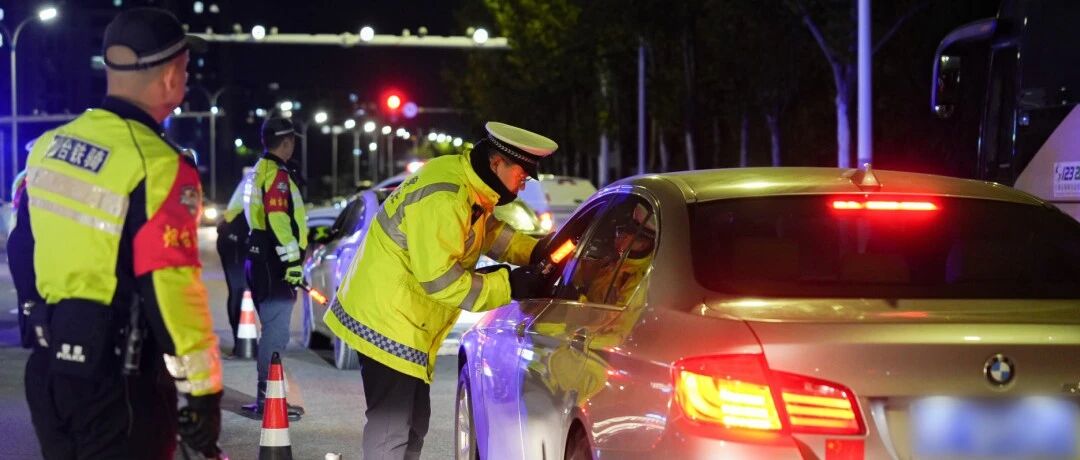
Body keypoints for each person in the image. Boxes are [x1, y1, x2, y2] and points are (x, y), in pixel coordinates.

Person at [10, 7, 222, 458]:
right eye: (184, 69)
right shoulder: (160, 164)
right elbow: (170, 286)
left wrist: (39, 324)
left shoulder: (50, 146)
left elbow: (21, 243)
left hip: (50, 374)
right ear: (170, 76)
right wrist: (204, 391)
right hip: (119, 382)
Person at [326, 121, 555, 459]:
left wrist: (533, 251)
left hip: (403, 319)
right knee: (393, 428)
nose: (521, 187)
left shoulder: (467, 186)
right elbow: (441, 281)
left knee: (414, 423)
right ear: (497, 163)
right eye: (521, 176)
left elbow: (489, 233)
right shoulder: (446, 197)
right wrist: (510, 284)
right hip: (389, 320)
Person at [242, 117, 307, 420]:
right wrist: (293, 261)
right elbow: (279, 219)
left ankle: (266, 397)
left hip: (260, 260)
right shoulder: (277, 175)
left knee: (272, 330)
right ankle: (268, 401)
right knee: (276, 333)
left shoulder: (259, 170)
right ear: (287, 142)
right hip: (274, 264)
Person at [217, 167, 253, 355]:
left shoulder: (269, 174)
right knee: (240, 289)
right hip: (234, 236)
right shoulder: (262, 176)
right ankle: (241, 342)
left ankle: (246, 338)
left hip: (242, 233)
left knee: (248, 288)